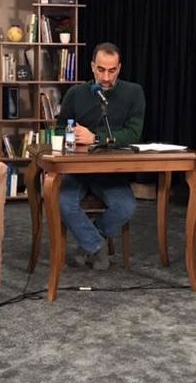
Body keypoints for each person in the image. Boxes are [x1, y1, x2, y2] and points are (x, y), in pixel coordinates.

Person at [57, 42, 146, 270]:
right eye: (101, 70)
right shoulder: (75, 94)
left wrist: (95, 138)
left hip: (109, 172)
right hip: (76, 170)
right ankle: (97, 246)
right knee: (62, 202)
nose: (106, 77)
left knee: (125, 206)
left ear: (119, 68)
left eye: (112, 70)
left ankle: (86, 245)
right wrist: (72, 133)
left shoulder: (133, 92)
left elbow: (133, 133)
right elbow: (58, 129)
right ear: (92, 67)